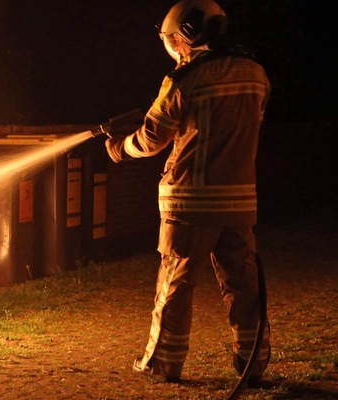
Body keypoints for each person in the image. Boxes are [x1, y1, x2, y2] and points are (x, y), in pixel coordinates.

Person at [102, 0, 271, 385]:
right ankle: (252, 363)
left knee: (175, 283)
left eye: (171, 39)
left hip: (188, 202)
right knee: (243, 284)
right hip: (239, 201)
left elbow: (152, 138)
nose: (171, 46)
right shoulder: (257, 74)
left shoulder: (184, 79)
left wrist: (120, 148)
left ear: (185, 36)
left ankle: (164, 363)